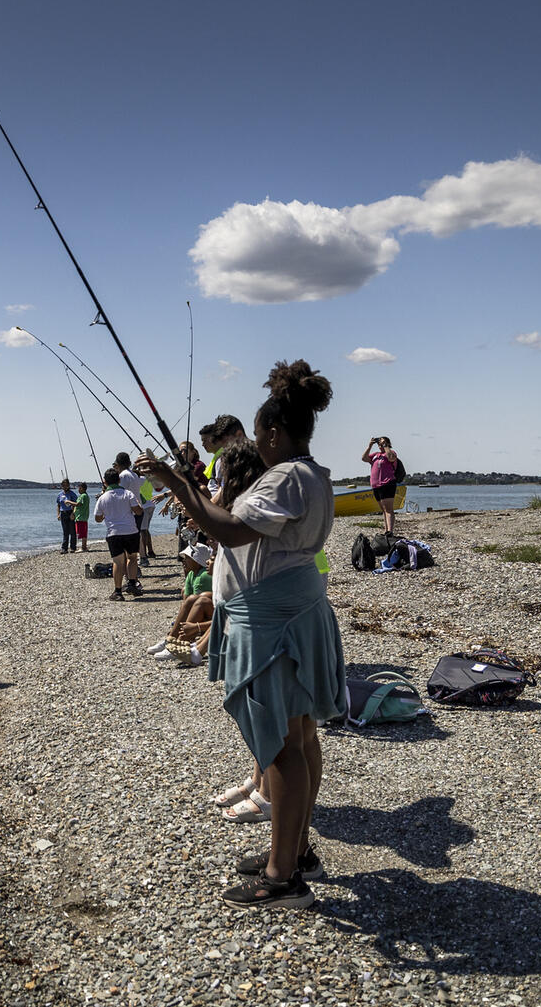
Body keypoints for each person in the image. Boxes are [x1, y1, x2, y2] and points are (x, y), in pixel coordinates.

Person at [138, 360, 345, 911]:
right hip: (298, 611)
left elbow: (228, 527)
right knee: (299, 737)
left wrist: (177, 482)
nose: (258, 444)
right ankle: (296, 851)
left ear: (274, 433)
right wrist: (188, 485)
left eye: (259, 435)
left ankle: (282, 878)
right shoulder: (317, 475)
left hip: (272, 622)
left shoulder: (286, 477)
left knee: (277, 745)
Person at [91, 467, 143, 601]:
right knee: (132, 558)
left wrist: (105, 515)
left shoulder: (102, 498)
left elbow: (97, 518)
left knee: (118, 562)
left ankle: (118, 591)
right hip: (131, 531)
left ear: (105, 481)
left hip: (114, 533)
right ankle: (132, 583)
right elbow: (138, 511)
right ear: (119, 480)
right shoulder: (128, 493)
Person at [112, 452, 147, 580]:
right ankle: (134, 571)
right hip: (137, 511)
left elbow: (119, 493)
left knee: (127, 548)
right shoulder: (134, 475)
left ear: (118, 463)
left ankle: (132, 573)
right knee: (133, 545)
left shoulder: (123, 476)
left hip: (129, 513)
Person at [362, 435, 399, 536]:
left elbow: (391, 458)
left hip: (387, 483)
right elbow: (364, 458)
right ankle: (386, 530)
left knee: (388, 509)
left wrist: (386, 446)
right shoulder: (376, 455)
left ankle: (390, 532)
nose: (380, 445)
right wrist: (369, 446)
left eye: (382, 443)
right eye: (379, 444)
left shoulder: (391, 453)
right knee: (383, 510)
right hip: (376, 486)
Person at [55, 479, 78, 553]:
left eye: (66, 485)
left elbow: (76, 504)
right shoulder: (60, 494)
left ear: (68, 485)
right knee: (65, 532)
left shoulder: (72, 494)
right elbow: (58, 505)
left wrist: (73, 513)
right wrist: (58, 514)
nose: (65, 486)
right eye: (63, 485)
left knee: (72, 531)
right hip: (63, 513)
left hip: (70, 513)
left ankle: (73, 547)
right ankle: (64, 548)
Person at [73, 481, 91, 552]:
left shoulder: (83, 495)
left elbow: (78, 504)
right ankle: (84, 547)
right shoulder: (84, 496)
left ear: (83, 489)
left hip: (81, 517)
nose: (78, 490)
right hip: (82, 517)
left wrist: (69, 502)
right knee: (83, 532)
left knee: (82, 533)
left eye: (80, 488)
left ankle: (83, 547)